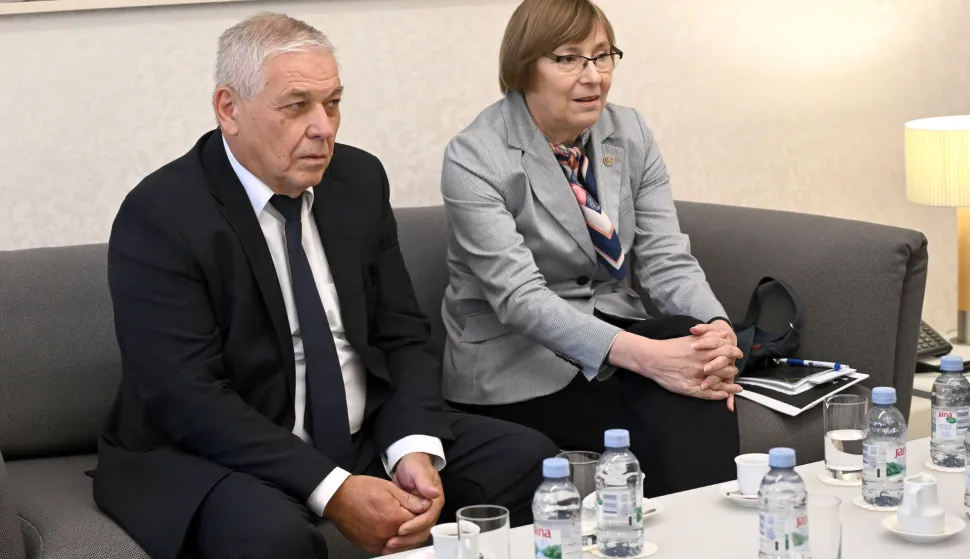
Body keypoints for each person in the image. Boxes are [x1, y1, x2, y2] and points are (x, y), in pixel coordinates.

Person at [93, 12, 558, 559]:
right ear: (229, 108)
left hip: (361, 435)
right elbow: (188, 398)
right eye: (297, 106)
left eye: (333, 102)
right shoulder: (163, 215)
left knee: (527, 458)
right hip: (218, 452)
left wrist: (412, 448)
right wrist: (334, 490)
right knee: (272, 537)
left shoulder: (357, 181)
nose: (325, 127)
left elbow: (403, 334)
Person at [439, 0, 743, 497]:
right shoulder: (476, 155)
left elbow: (667, 259)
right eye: (567, 59)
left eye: (603, 56)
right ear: (523, 67)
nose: (594, 77)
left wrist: (718, 334)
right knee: (674, 390)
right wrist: (650, 357)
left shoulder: (630, 132)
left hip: (615, 334)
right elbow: (520, 299)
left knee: (688, 345)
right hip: (516, 359)